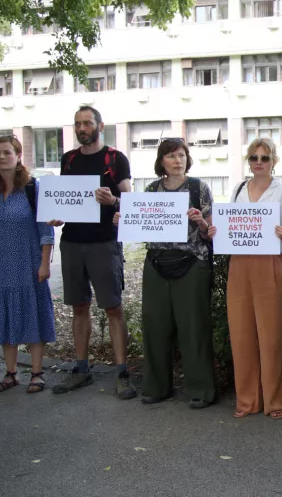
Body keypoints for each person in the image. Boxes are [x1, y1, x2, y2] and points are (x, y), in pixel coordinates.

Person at [113, 138, 216, 409]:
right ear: (162, 161)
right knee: (155, 326)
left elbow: (210, 233)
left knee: (194, 327)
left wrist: (201, 222)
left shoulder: (199, 188)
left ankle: (200, 389)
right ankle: (157, 387)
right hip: (157, 263)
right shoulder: (151, 190)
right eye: (171, 156)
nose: (177, 160)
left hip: (192, 263)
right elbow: (141, 227)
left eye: (181, 155)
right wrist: (125, 221)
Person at [48, 106, 135, 399]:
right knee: (79, 307)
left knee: (113, 307)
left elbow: (130, 201)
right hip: (72, 241)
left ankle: (122, 373)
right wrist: (57, 214)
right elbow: (65, 199)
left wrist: (113, 200)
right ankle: (81, 369)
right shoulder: (68, 159)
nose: (82, 128)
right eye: (77, 124)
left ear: (100, 125)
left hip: (104, 242)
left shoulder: (115, 158)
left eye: (87, 123)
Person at [210, 138, 282, 419]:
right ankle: (247, 400)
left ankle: (274, 401)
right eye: (253, 158)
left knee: (270, 335)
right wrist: (216, 231)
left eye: (265, 158)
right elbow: (229, 225)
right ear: (248, 161)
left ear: (274, 161)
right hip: (239, 264)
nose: (258, 162)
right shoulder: (238, 189)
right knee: (241, 333)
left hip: (270, 263)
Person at [0, 135, 55, 394]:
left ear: (18, 156)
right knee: (4, 317)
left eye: (7, 152)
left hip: (27, 264)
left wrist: (44, 263)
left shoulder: (33, 188)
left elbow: (45, 230)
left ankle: (37, 373)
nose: (1, 157)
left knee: (33, 315)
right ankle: (10, 373)